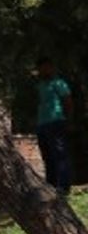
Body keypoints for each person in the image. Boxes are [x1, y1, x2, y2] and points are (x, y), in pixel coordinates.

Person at [34, 57, 73, 195]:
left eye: (46, 67)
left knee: (60, 154)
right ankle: (51, 185)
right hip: (42, 123)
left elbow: (68, 102)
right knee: (47, 155)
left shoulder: (59, 83)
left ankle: (64, 186)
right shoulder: (40, 85)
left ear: (51, 67)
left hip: (56, 121)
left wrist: (68, 121)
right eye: (41, 68)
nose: (43, 70)